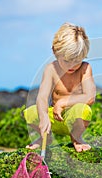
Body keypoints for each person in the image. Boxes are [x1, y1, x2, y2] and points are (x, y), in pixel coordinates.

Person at [23, 22, 96, 152]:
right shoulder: (51, 69)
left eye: (77, 60)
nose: (72, 66)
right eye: (67, 61)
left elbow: (90, 97)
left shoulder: (85, 68)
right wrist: (44, 116)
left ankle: (77, 138)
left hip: (73, 118)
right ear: (55, 52)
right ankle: (45, 137)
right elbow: (42, 98)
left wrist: (63, 102)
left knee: (84, 110)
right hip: (54, 119)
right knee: (30, 113)